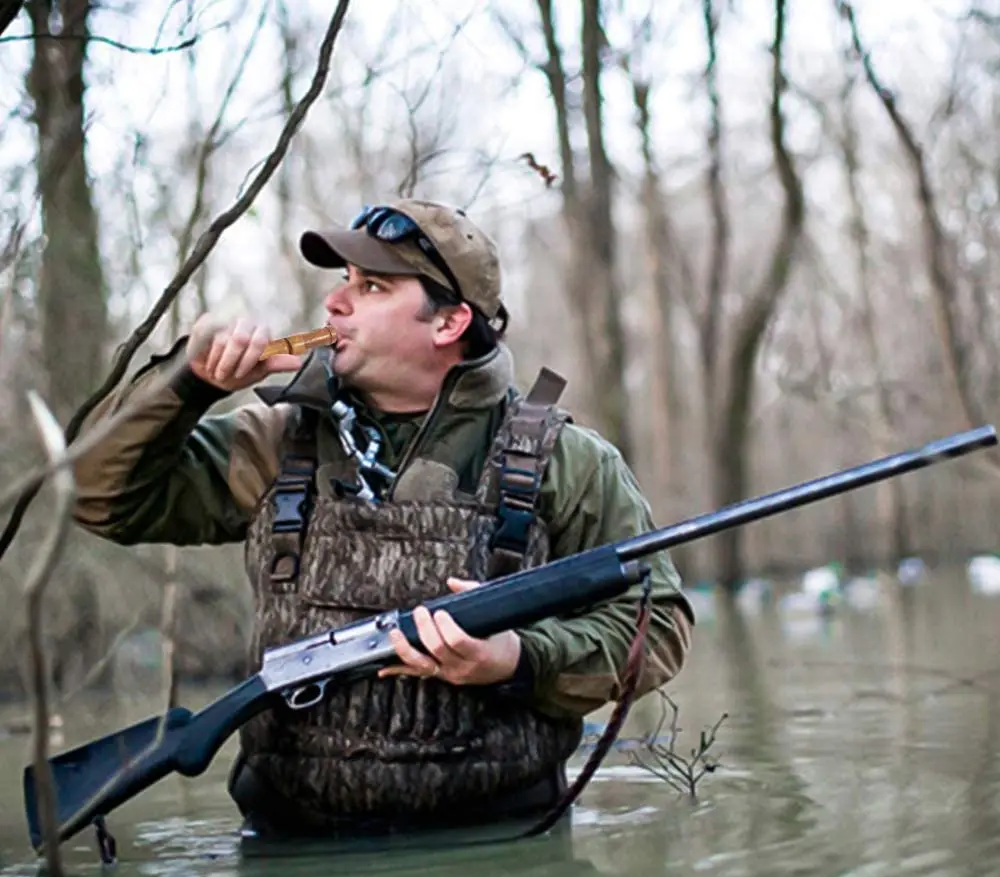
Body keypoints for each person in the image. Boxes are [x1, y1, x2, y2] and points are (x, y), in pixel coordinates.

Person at [71, 198, 695, 837]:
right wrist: (185, 383)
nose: (335, 304)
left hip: (505, 850)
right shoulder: (275, 442)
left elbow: (658, 625)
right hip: (292, 854)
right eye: (342, 282)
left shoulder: (567, 461)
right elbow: (94, 495)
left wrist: (520, 659)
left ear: (449, 321)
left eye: (371, 286)